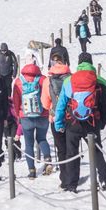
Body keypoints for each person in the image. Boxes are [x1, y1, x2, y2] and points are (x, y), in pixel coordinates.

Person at [54, 52, 106, 192]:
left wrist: (59, 124)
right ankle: (104, 179)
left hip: (72, 122)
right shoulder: (100, 81)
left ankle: (71, 184)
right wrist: (101, 123)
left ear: (79, 64)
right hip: (92, 122)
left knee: (71, 153)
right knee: (97, 151)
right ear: (91, 63)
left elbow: (61, 104)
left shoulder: (69, 80)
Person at [12, 59, 52, 178]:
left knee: (28, 144)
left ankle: (32, 171)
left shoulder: (19, 81)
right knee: (42, 138)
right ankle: (47, 158)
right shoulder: (43, 79)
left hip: (26, 117)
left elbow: (15, 101)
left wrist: (19, 116)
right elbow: (48, 96)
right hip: (42, 115)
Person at [42, 54, 72, 189]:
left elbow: (44, 102)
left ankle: (65, 179)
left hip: (54, 118)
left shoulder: (48, 80)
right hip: (70, 118)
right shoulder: (71, 78)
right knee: (72, 148)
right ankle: (73, 178)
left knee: (61, 149)